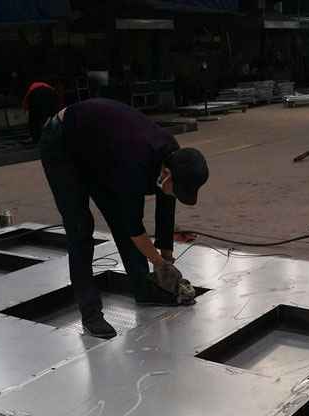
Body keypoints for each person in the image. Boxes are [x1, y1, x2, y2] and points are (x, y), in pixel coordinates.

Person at [39, 98, 209, 339]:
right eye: (177, 188)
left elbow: (166, 206)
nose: (175, 194)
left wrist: (167, 255)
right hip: (62, 143)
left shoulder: (172, 156)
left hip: (99, 150)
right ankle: (90, 312)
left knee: (120, 217)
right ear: (166, 174)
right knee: (80, 228)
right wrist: (159, 264)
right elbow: (134, 226)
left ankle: (143, 289)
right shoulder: (135, 163)